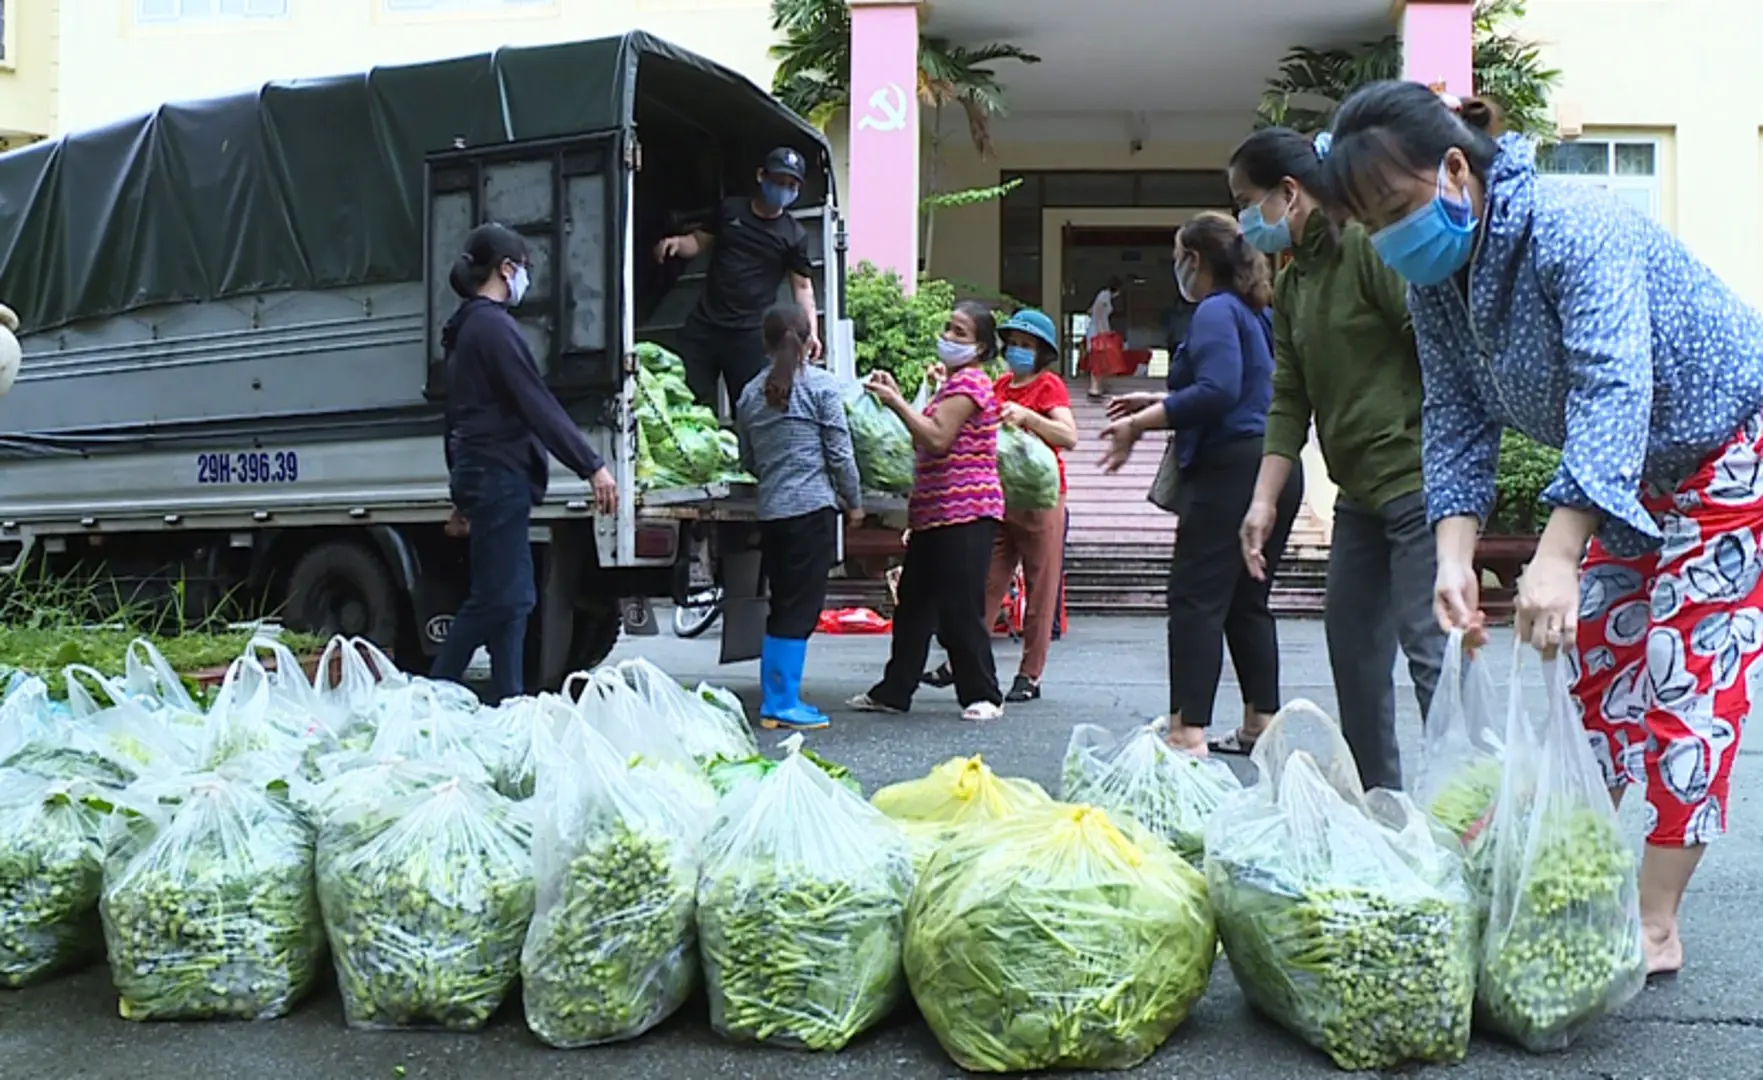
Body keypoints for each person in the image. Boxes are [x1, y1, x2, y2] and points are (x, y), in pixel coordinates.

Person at [1321, 80, 1763, 976]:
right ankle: (1570, 875)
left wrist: (1558, 553)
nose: (1389, 239)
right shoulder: (1438, 285)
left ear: (1454, 167)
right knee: (1590, 671)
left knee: (1689, 678)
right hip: (1632, 477)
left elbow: (1613, 386)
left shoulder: (1570, 225)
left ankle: (1653, 920)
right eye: (1370, 227)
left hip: (1726, 450)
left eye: (1397, 210)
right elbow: (1451, 417)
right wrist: (1450, 557)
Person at [1226, 126, 1446, 789]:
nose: (1244, 221)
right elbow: (1287, 397)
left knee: (1429, 650)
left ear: (1289, 193)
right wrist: (1263, 499)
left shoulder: (1366, 249)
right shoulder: (1293, 287)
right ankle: (1383, 814)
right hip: (1358, 498)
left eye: (1247, 201)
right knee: (1352, 654)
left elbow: (1432, 345)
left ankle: (1476, 817)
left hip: (1416, 480)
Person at [1099, 212, 1302, 755]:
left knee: (1196, 598)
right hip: (1276, 467)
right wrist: (1159, 402)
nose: (1174, 268)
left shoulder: (1213, 311)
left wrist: (1139, 423)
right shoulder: (1254, 312)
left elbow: (1216, 391)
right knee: (1246, 601)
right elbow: (1244, 389)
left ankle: (1187, 732)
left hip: (1231, 469)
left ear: (1194, 260)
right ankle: (1260, 723)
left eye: (1175, 256)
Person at [431, 223, 618, 704]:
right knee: (504, 598)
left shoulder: (465, 329)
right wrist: (591, 465)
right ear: (506, 270)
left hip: (484, 474)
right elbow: (537, 405)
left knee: (509, 602)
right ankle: (431, 697)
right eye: (524, 271)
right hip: (497, 474)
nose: (525, 282)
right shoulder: (493, 328)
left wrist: (461, 492)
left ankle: (509, 704)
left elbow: (454, 418)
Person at [850, 301, 1007, 721]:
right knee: (914, 605)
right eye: (948, 329)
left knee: (959, 606)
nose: (949, 338)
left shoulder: (971, 384)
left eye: (960, 333)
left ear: (981, 347)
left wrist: (898, 403)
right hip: (935, 512)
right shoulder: (951, 385)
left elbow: (937, 438)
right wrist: (895, 398)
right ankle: (894, 690)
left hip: (966, 511)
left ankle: (984, 694)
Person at [921, 308, 1076, 702]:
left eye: (1028, 346)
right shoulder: (1000, 383)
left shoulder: (1049, 386)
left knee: (1041, 592)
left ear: (1042, 353)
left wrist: (1028, 417)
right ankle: (962, 663)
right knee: (987, 583)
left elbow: (1068, 435)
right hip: (1001, 497)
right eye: (1015, 344)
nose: (1019, 351)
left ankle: (1030, 675)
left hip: (1041, 500)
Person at [735, 303, 863, 731]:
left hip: (773, 514)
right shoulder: (822, 387)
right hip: (811, 512)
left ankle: (778, 698)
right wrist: (855, 501)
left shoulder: (750, 395)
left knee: (783, 604)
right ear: (810, 341)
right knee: (800, 609)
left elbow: (747, 459)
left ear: (765, 343)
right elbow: (840, 453)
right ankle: (781, 702)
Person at [653, 147, 822, 412]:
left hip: (751, 336)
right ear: (761, 176)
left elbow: (802, 287)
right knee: (680, 400)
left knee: (751, 410)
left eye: (792, 185)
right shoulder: (731, 210)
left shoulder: (794, 235)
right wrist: (675, 243)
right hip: (705, 327)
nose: (784, 189)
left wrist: (812, 331)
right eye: (779, 181)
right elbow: (698, 242)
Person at [1085, 276, 1123, 400]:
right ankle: (1094, 389)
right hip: (1098, 333)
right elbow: (1100, 314)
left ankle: (1098, 387)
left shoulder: (1101, 296)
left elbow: (1091, 311)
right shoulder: (1105, 297)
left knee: (1099, 361)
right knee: (1099, 362)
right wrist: (1104, 333)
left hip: (1095, 330)